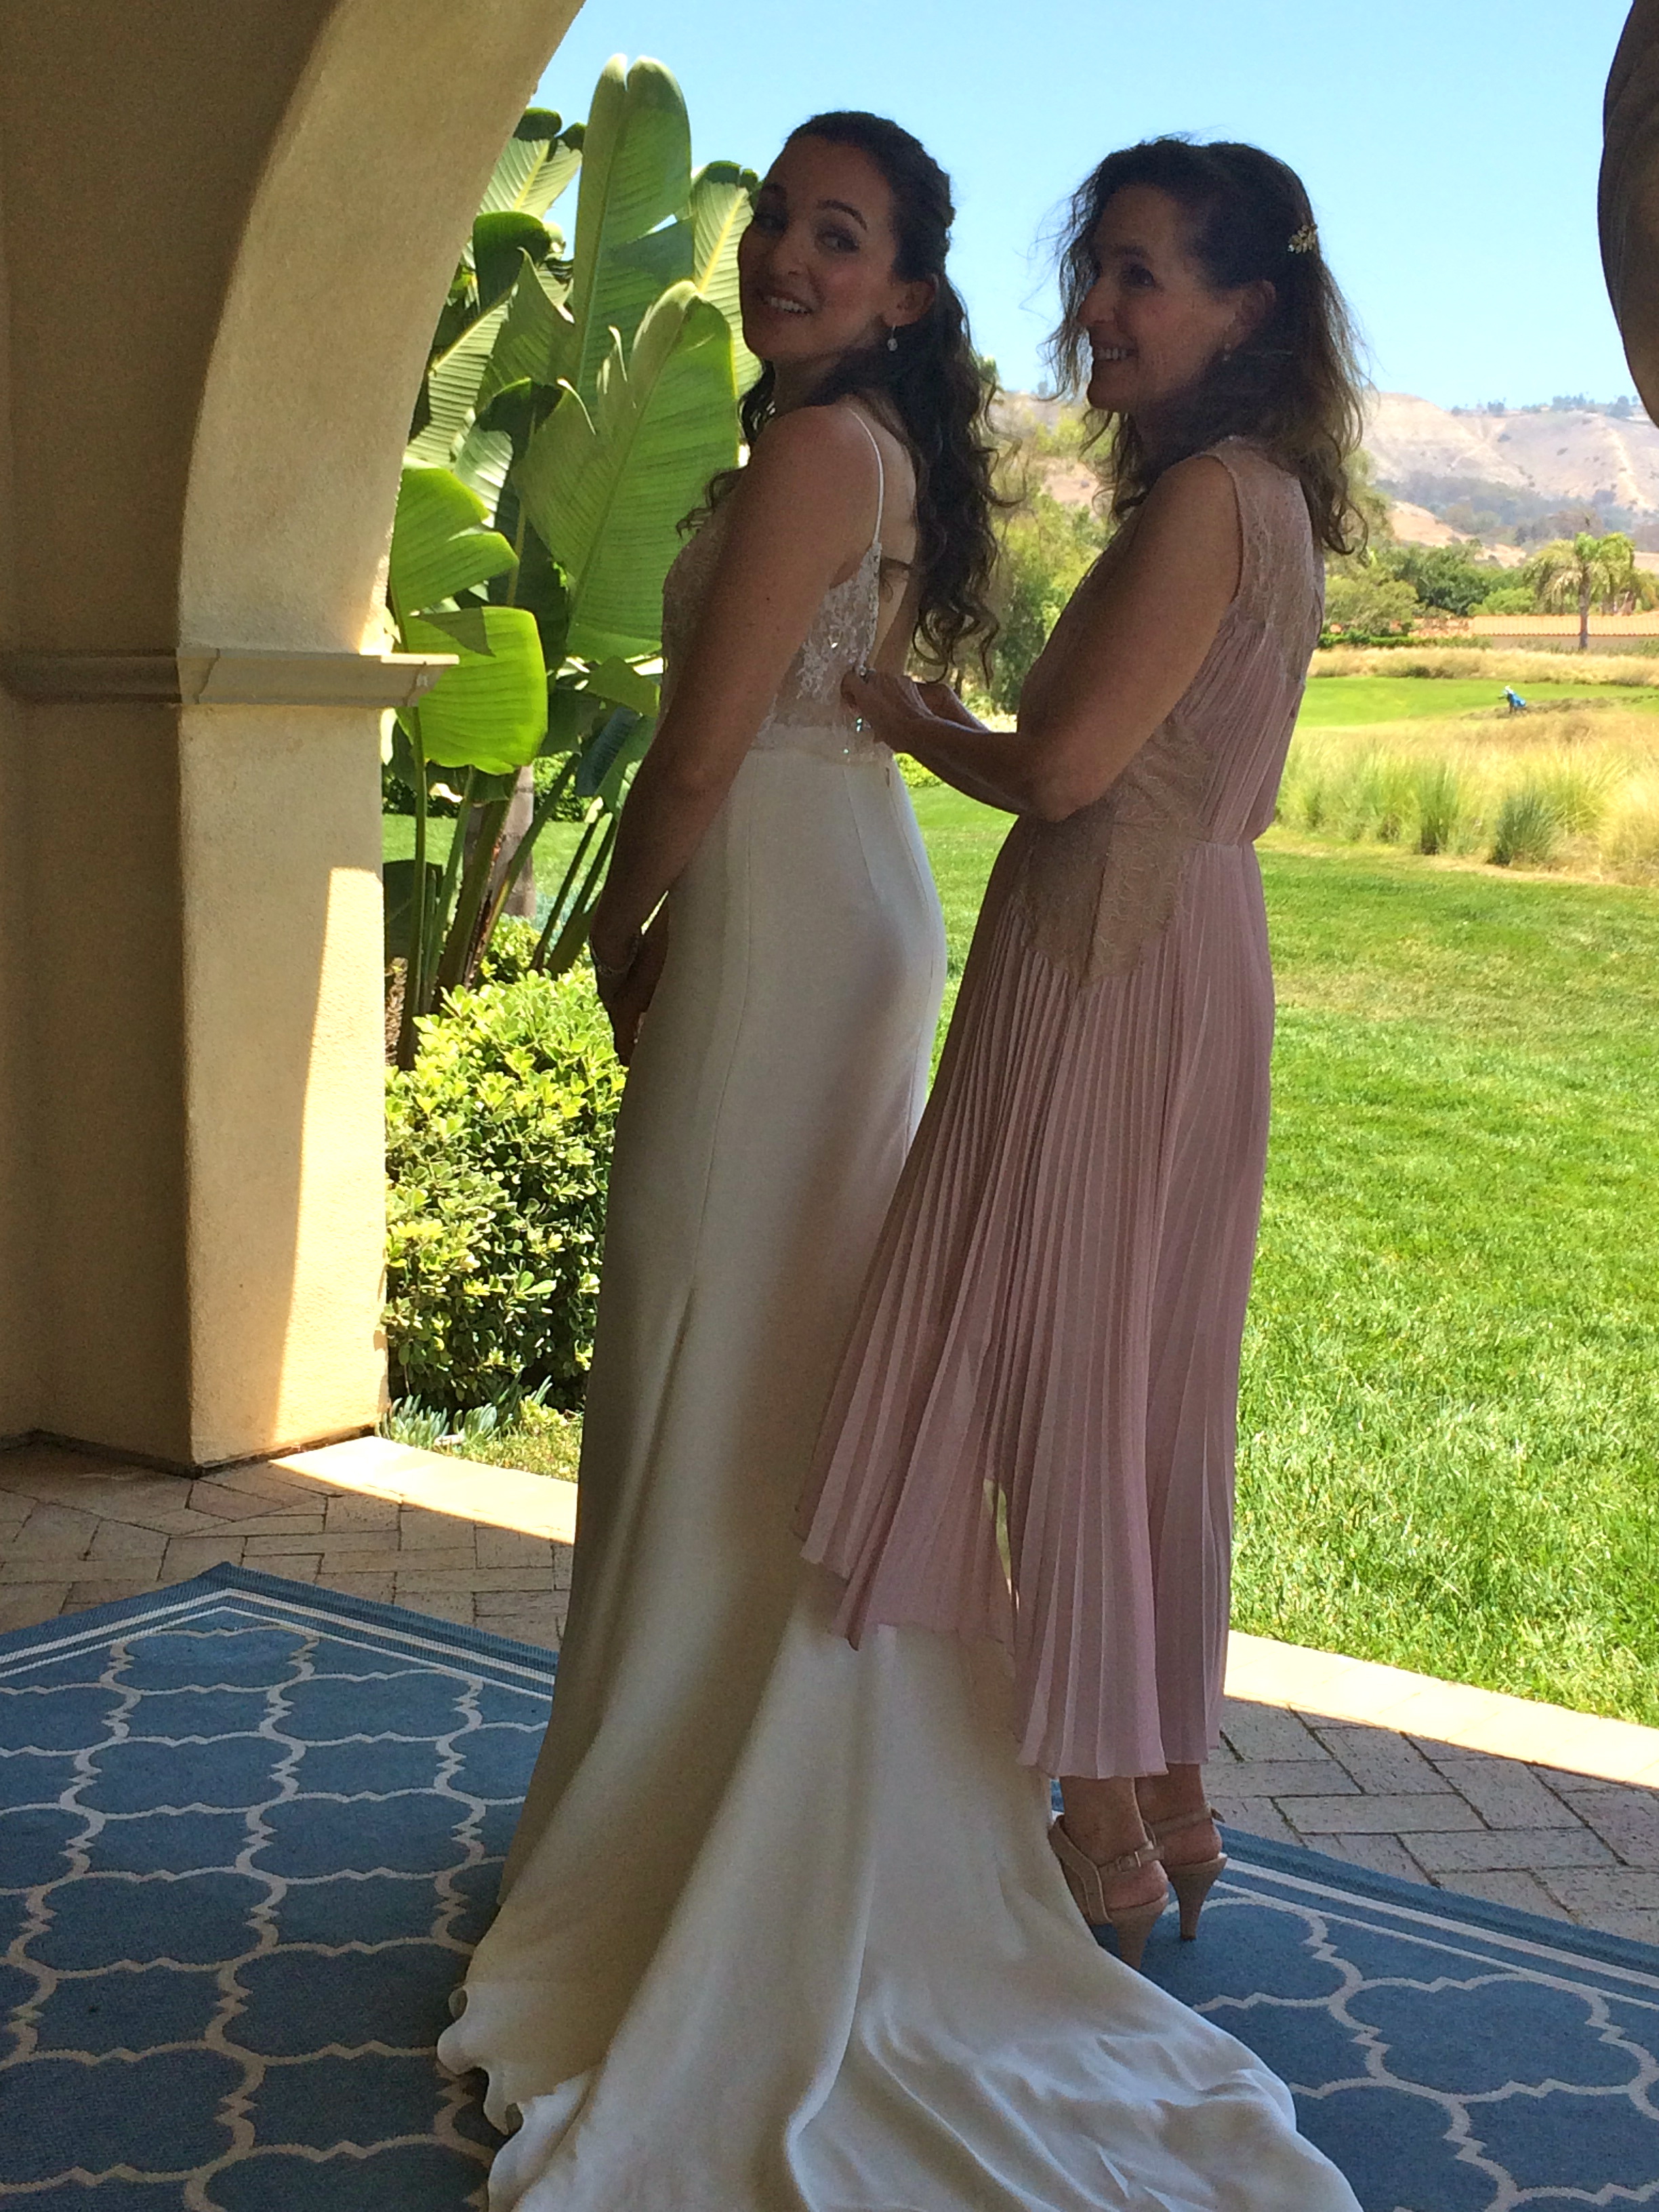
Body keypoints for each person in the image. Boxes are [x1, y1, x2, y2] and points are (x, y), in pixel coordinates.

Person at [438, 120, 1360, 2212]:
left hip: (930, 934)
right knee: (900, 1350)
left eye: (1141, 274)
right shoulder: (1194, 488)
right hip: (984, 923)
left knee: (842, 1353)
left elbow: (824, 751)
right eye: (772, 218)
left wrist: (637, 912)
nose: (782, 252)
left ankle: (973, 1808)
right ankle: (1108, 1798)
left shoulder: (950, 472)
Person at [804, 138, 1364, 1971]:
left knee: (1065, 1369)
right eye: (1094, 271)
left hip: (1107, 956)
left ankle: (1110, 1830)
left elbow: (1062, 772)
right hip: (1188, 944)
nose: (1099, 309)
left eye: (1139, 276)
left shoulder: (1205, 498)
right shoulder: (1267, 497)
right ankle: (1167, 1796)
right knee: (1133, 1377)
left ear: (1245, 310)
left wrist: (905, 713)